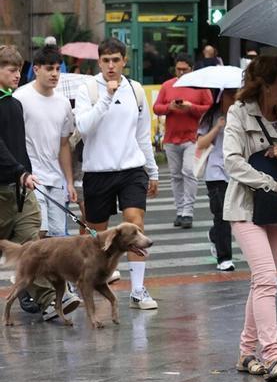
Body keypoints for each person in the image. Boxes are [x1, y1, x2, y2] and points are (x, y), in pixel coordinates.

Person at [222, 54, 277, 382]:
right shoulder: (238, 114)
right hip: (247, 207)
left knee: (262, 282)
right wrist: (266, 182)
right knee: (267, 277)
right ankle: (272, 355)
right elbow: (232, 161)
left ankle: (246, 352)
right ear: (266, 83)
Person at [74, 37, 160, 310]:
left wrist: (153, 171)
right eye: (105, 60)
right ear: (99, 62)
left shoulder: (135, 90)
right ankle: (88, 280)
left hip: (131, 169)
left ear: (124, 61)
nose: (111, 66)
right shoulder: (87, 88)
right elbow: (84, 127)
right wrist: (108, 97)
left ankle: (138, 289)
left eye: (116, 60)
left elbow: (143, 134)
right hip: (98, 171)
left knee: (135, 222)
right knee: (96, 235)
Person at [1, 45, 78, 321]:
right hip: (17, 184)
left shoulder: (28, 103)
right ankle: (36, 291)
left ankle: (48, 296)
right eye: (11, 70)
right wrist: (20, 171)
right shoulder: (15, 100)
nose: (15, 76)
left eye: (59, 69)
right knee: (31, 241)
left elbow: (58, 145)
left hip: (38, 184)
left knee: (46, 242)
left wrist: (67, 181)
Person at [15, 45, 76, 238]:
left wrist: (69, 182)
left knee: (58, 238)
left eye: (58, 68)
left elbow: (64, 144)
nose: (55, 74)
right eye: (49, 68)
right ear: (36, 69)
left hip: (56, 180)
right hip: (32, 178)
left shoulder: (64, 103)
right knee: (39, 234)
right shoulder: (21, 98)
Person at [152, 54, 213, 230]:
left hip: (192, 137)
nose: (181, 72)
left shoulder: (200, 86)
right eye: (178, 69)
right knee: (175, 176)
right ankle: (180, 211)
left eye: (184, 69)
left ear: (191, 69)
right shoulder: (167, 85)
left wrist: (191, 107)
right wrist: (169, 107)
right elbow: (156, 108)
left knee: (189, 172)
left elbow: (209, 108)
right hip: (171, 138)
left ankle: (188, 212)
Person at [197, 89, 237, 271]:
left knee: (234, 215)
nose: (235, 98)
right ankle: (224, 258)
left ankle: (214, 235)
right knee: (221, 214)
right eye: (231, 94)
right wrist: (217, 127)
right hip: (215, 172)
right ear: (222, 97)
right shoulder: (210, 116)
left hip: (236, 171)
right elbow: (201, 143)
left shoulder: (242, 115)